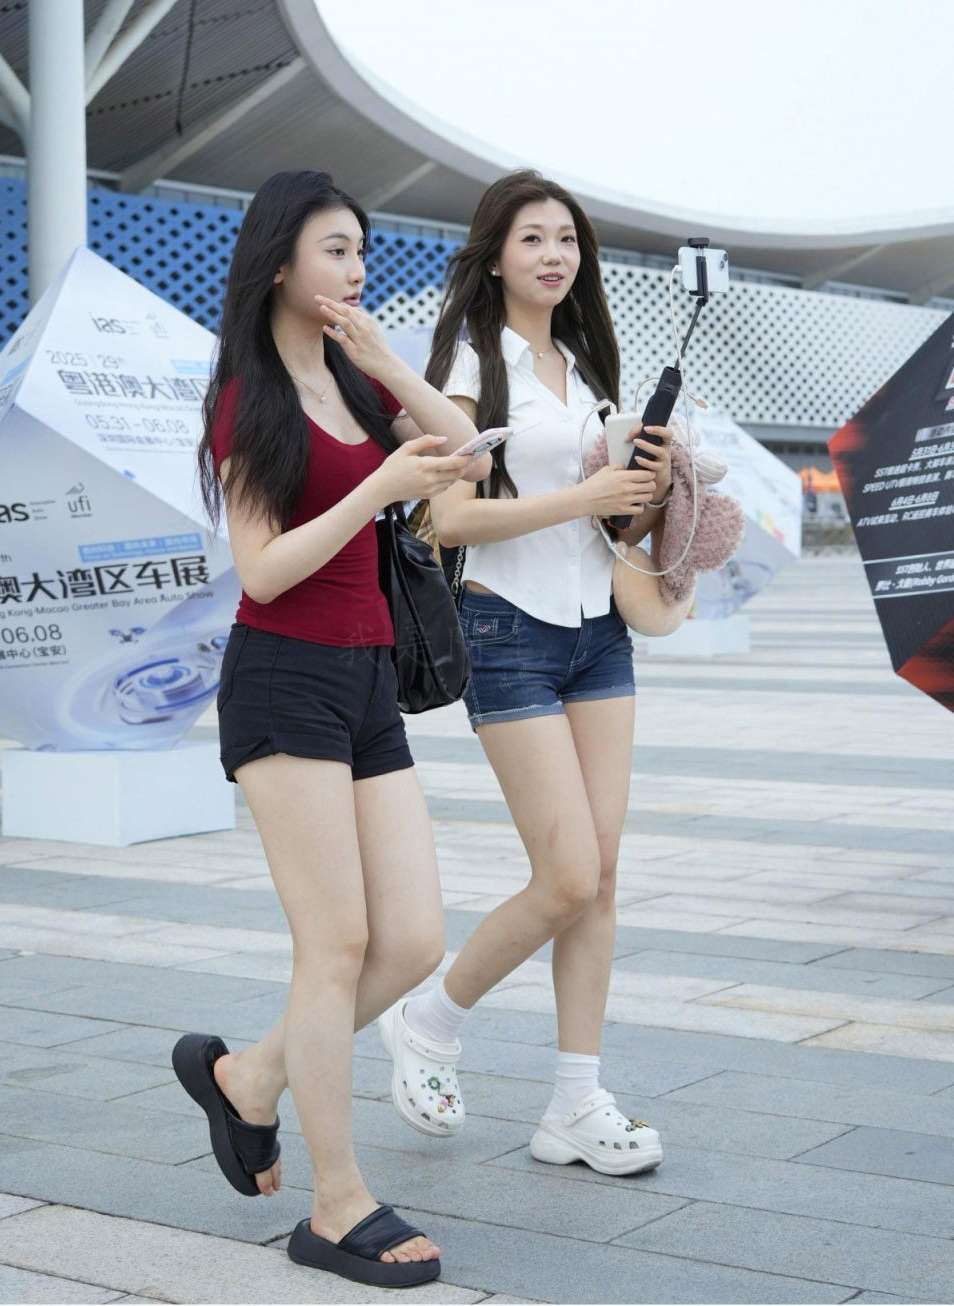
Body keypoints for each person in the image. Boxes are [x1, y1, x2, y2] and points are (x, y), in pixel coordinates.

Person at [172, 169, 489, 1288]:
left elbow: (469, 453)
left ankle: (251, 1078)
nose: (355, 270)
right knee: (337, 944)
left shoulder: (355, 381)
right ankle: (335, 1201)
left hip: (366, 681)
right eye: (335, 250)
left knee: (412, 941)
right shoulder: (244, 399)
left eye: (360, 250)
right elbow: (261, 569)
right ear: (279, 263)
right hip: (283, 679)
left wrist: (390, 366)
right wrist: (373, 489)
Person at [378, 169, 672, 1177]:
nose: (555, 255)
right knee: (567, 875)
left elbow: (610, 516)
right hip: (507, 631)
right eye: (533, 238)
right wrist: (584, 493)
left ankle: (575, 1104)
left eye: (567, 239)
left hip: (600, 633)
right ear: (495, 254)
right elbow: (449, 515)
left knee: (601, 882)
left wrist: (643, 486)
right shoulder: (471, 360)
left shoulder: (584, 362)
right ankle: (430, 1016)